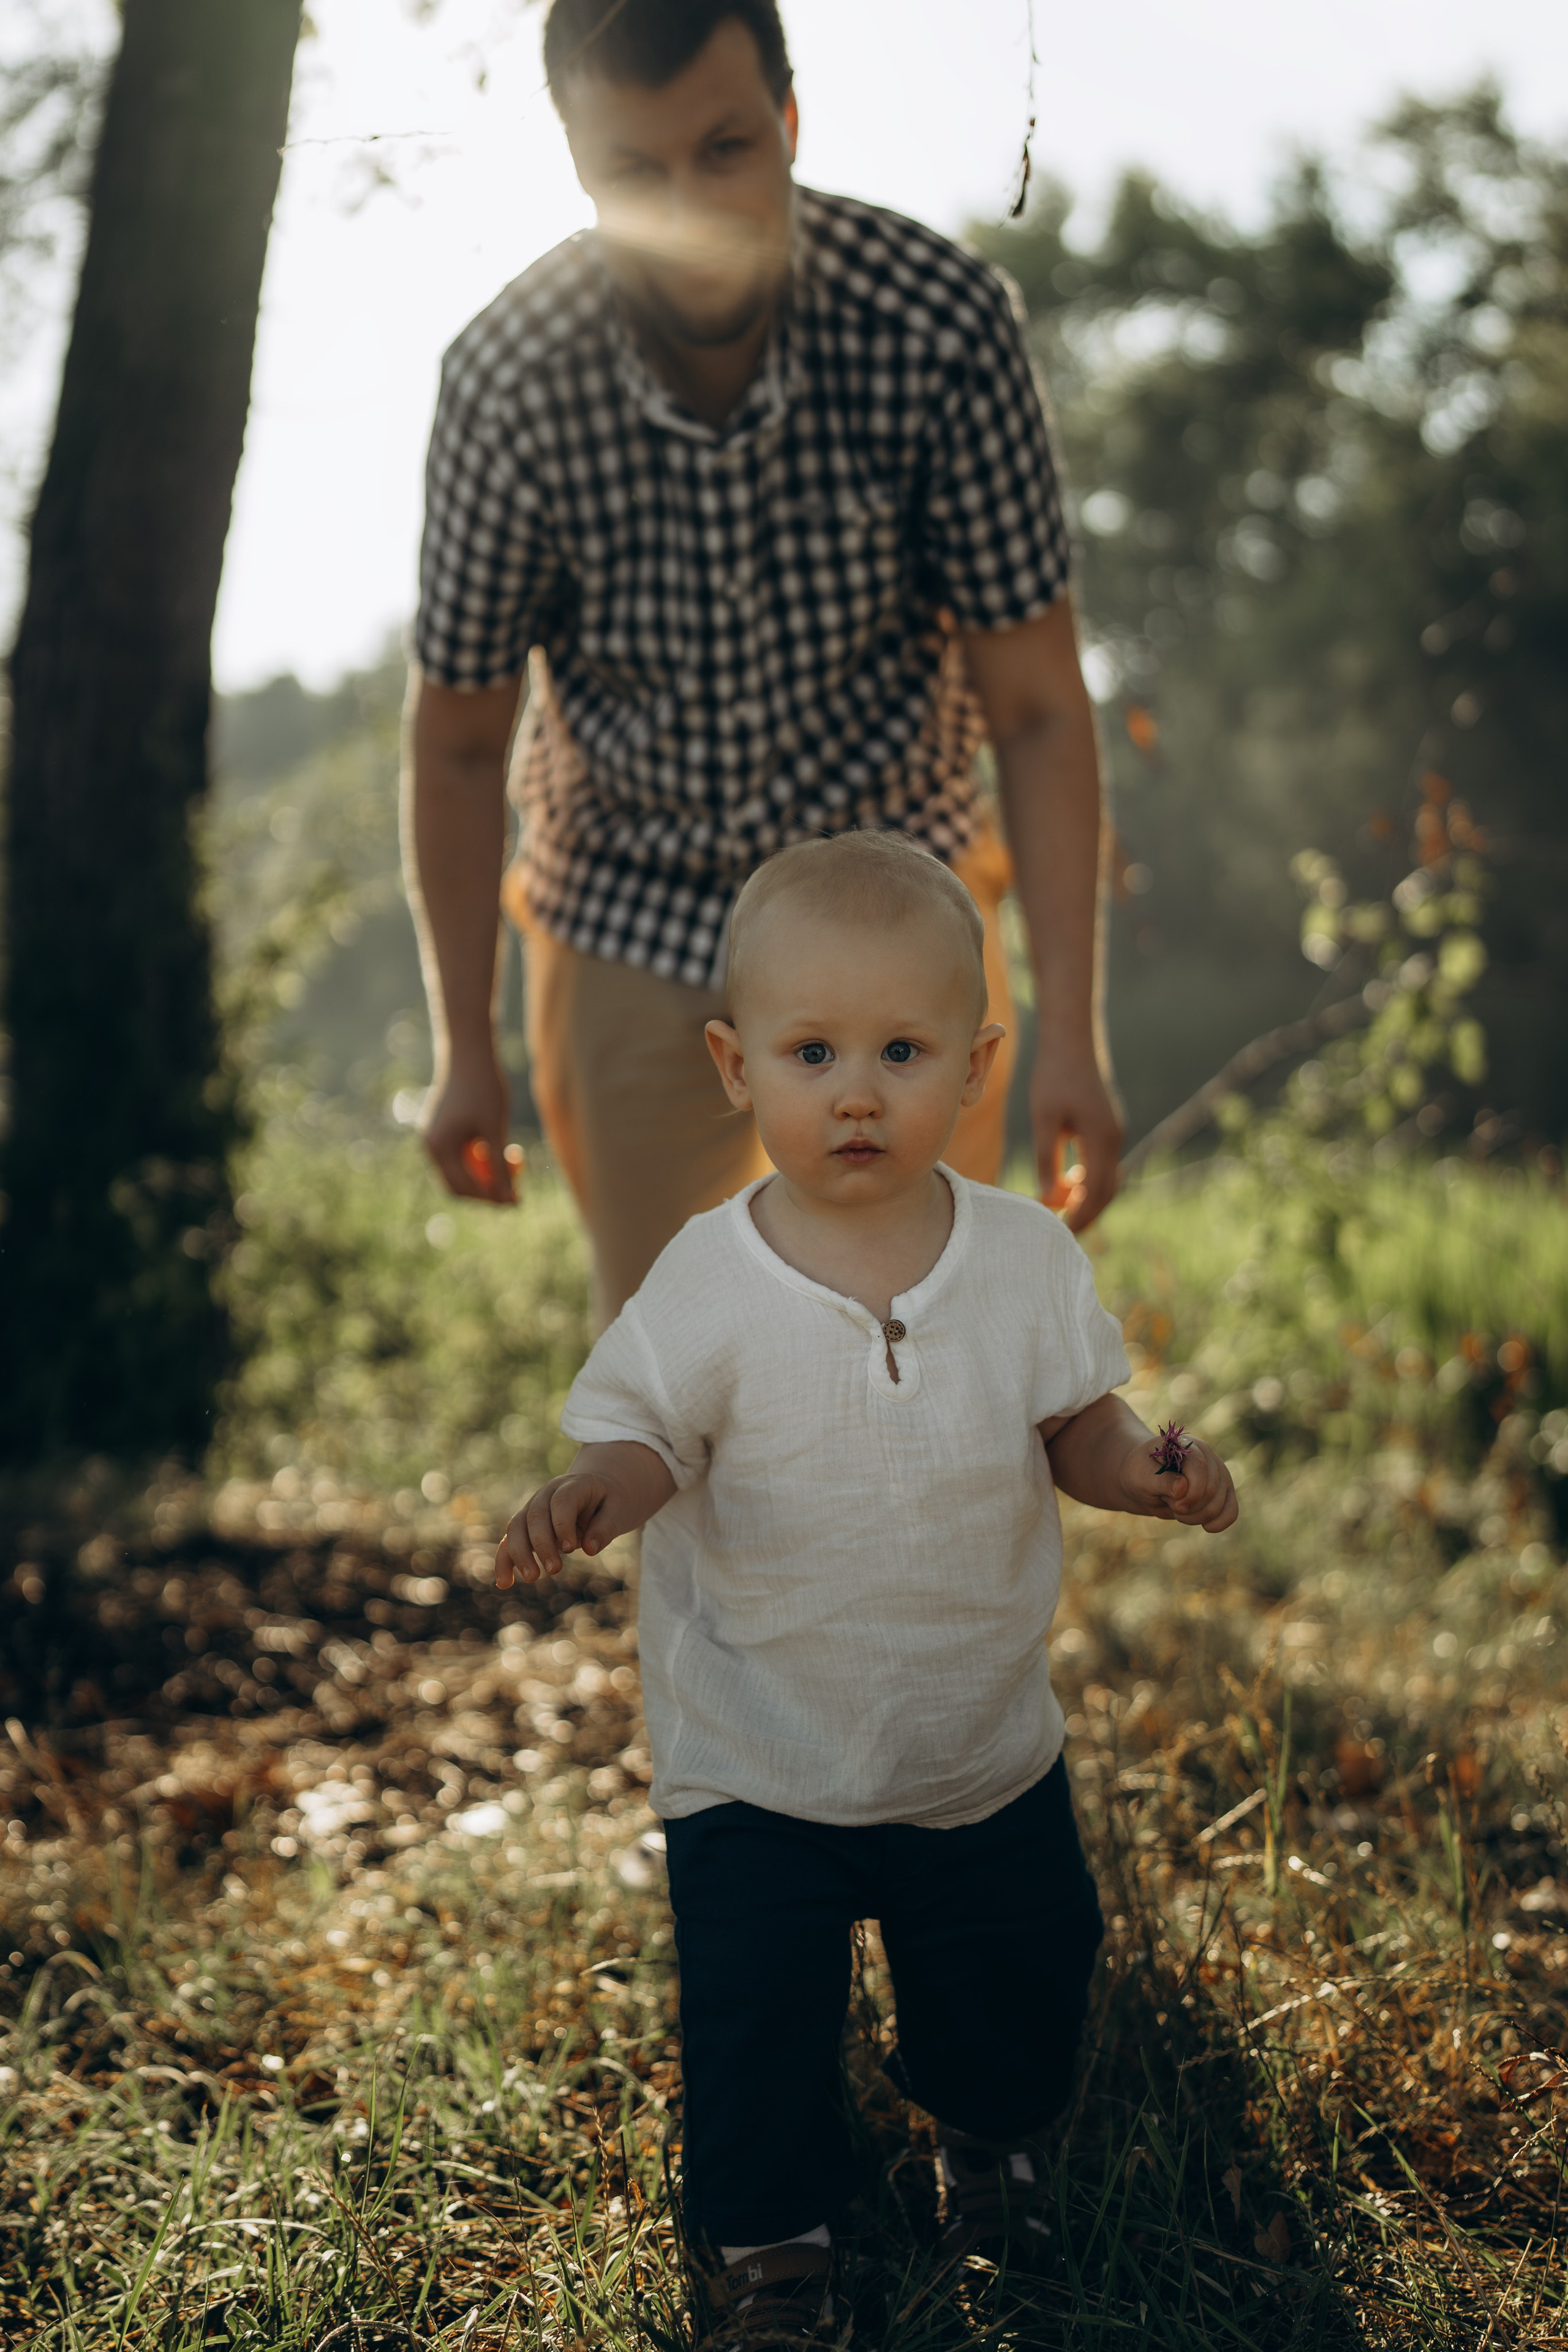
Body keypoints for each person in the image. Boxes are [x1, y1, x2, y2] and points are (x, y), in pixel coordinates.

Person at [493, 832, 1238, 2341]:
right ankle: (772, 2249)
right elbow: (643, 1430)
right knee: (755, 2026)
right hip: (758, 1753)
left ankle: (995, 2143)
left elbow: (1070, 1423)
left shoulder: (1023, 1261)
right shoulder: (708, 1275)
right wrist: (597, 1493)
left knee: (1018, 1974)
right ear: (733, 1063)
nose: (853, 1091)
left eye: (899, 1051)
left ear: (974, 1065)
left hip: (970, 1742)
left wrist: (1139, 1472)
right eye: (810, 1050)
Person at [406, 0, 1123, 1322]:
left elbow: (1030, 709)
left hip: (902, 895)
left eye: (725, 149)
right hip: (628, 907)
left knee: (926, 1355)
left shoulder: (938, 327)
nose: (689, 205)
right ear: (577, 166)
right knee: (676, 1387)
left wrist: (1070, 1032)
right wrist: (464, 1047)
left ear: (787, 124)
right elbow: (456, 741)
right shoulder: (508, 378)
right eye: (635, 172)